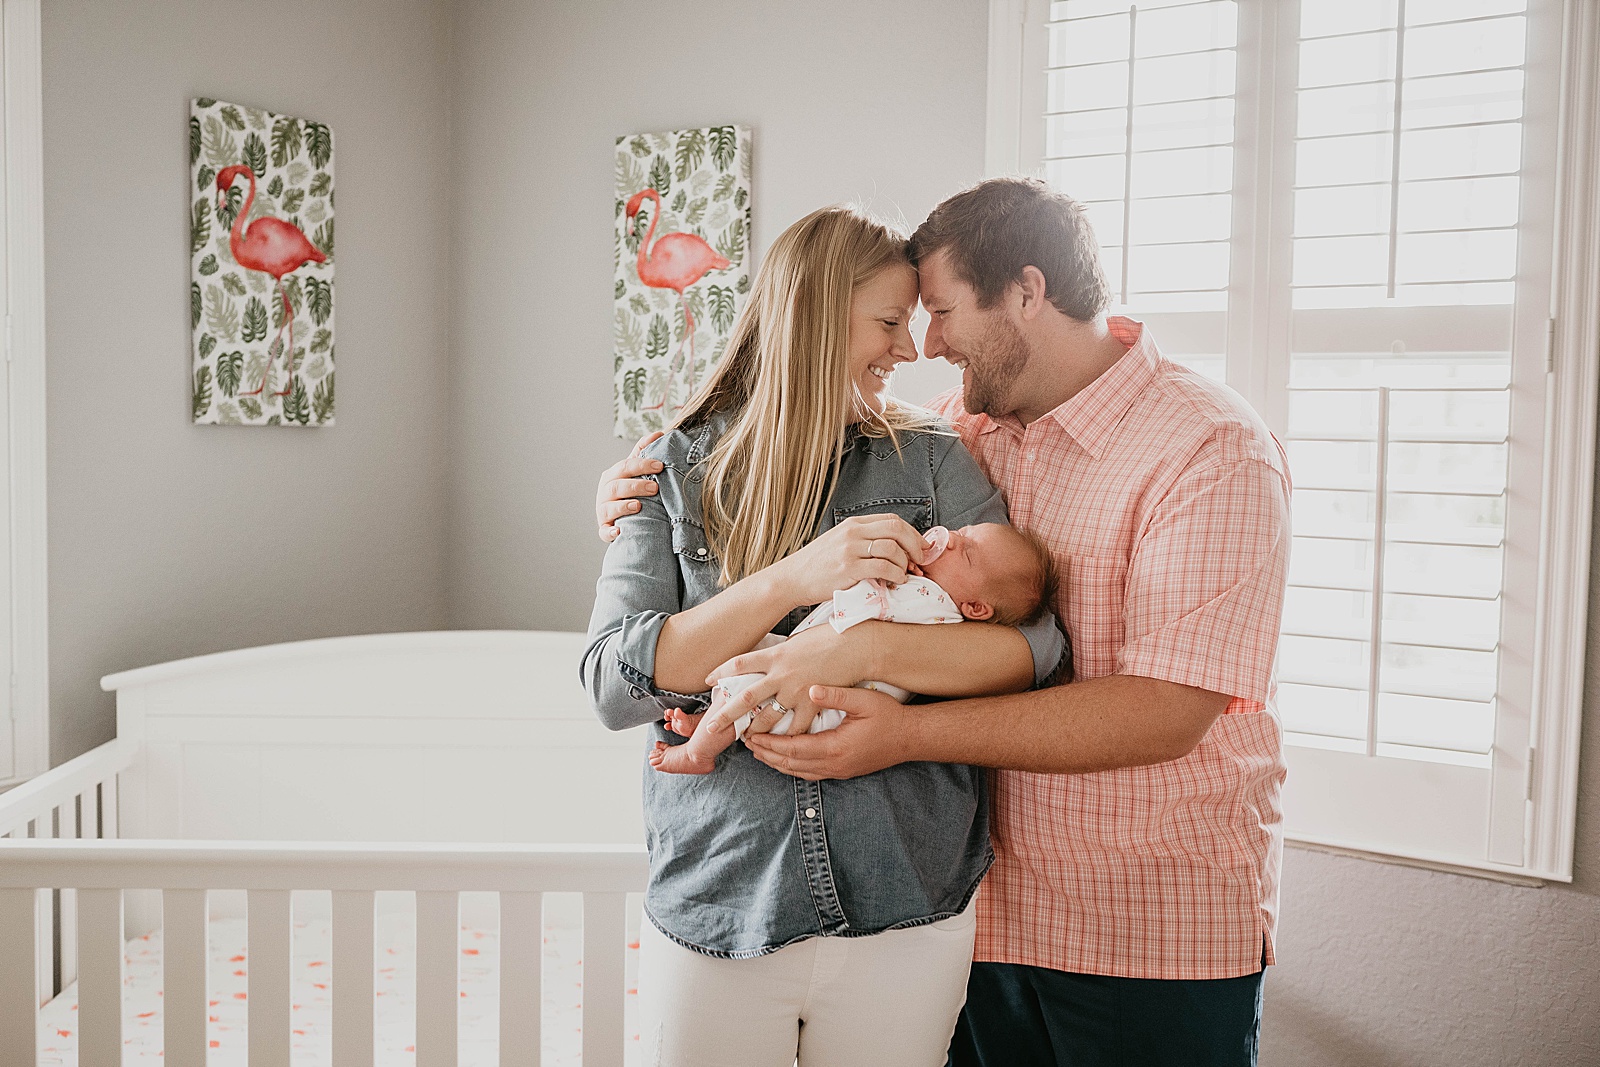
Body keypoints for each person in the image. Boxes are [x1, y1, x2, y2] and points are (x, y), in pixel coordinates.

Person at [596, 177, 1291, 1067]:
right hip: (988, 915)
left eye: (939, 311)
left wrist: (892, 709)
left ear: (1028, 293)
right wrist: (640, 490)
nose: (924, 344)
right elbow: (620, 664)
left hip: (1140, 921)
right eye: (900, 319)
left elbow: (1164, 707)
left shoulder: (1208, 447)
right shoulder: (972, 430)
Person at [581, 204, 1066, 1067]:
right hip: (721, 899)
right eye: (888, 322)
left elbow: (1031, 654)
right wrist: (796, 577)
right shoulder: (671, 469)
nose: (909, 350)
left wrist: (863, 652)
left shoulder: (933, 459)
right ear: (811, 317)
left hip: (907, 900)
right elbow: (614, 687)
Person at [651, 522, 1058, 774]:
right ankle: (710, 718)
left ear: (975, 607)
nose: (950, 539)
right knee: (749, 652)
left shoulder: (934, 602)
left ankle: (698, 752)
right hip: (812, 666)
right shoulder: (937, 606)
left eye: (966, 552)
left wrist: (880, 573)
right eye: (964, 531)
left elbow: (870, 603)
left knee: (747, 680)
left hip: (825, 704)